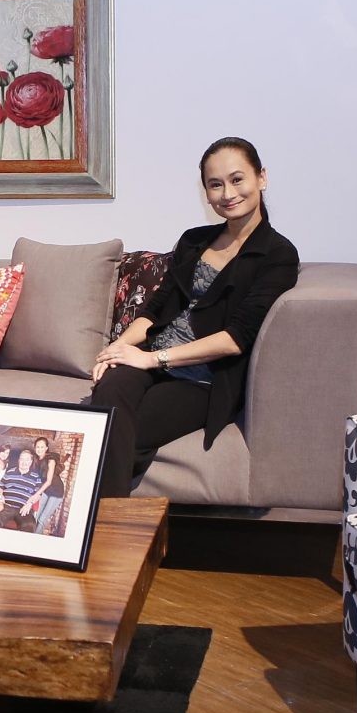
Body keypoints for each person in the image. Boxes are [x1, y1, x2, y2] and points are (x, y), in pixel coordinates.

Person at [90, 136, 301, 497]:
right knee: (109, 393)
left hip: (205, 379)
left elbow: (235, 339)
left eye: (237, 179)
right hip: (151, 359)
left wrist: (151, 359)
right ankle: (106, 519)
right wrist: (117, 349)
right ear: (206, 192)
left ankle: (101, 522)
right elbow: (155, 311)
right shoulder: (193, 241)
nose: (227, 193)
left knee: (118, 430)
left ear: (261, 178)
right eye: (215, 184)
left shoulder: (277, 255)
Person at [0, 447, 45, 530]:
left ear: (31, 462)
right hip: (6, 507)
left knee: (30, 524)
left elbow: (38, 495)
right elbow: (0, 486)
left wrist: (29, 504)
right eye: (22, 459)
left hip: (23, 508)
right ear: (18, 460)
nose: (24, 462)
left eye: (27, 460)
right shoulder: (9, 472)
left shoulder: (36, 477)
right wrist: (1, 496)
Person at [27, 436, 64, 534]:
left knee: (42, 519)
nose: (39, 449)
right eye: (37, 447)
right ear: (35, 448)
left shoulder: (51, 460)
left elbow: (48, 481)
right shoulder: (36, 459)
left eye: (42, 447)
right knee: (36, 516)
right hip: (46, 490)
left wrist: (36, 495)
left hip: (56, 492)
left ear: (46, 448)